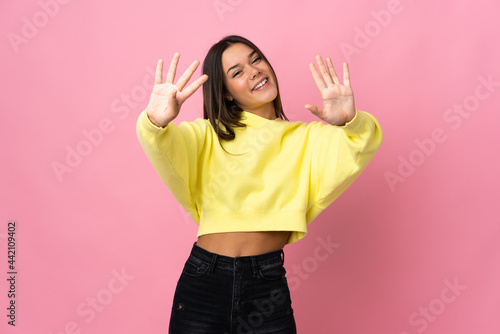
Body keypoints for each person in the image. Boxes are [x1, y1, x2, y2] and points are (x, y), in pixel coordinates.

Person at [136, 35, 383, 333]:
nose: (253, 71)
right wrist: (154, 121)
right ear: (226, 93)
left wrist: (349, 121)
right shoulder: (207, 135)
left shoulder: (305, 139)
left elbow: (360, 143)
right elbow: (162, 144)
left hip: (266, 283)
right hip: (204, 280)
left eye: (256, 60)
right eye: (237, 72)